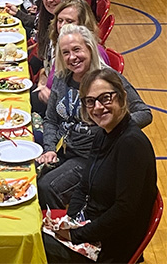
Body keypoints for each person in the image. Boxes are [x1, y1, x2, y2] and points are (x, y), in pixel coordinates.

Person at [43, 68, 157, 263]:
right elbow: (84, 185)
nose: (98, 107)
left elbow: (124, 212)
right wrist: (72, 220)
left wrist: (76, 235)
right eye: (90, 101)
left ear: (121, 97)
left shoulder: (131, 144)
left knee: (33, 243)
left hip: (110, 247)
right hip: (91, 227)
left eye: (105, 98)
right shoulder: (102, 134)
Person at [36, 24, 152, 210]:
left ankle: (65, 231)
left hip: (90, 157)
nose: (72, 57)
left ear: (89, 48)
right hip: (62, 149)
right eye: (65, 53)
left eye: (77, 50)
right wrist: (49, 148)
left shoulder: (107, 79)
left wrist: (109, 129)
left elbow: (144, 113)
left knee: (48, 187)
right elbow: (50, 120)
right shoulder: (61, 79)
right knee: (26, 176)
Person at [32, 0, 110, 118]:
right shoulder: (63, 46)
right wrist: (43, 83)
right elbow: (53, 76)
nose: (62, 26)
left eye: (69, 21)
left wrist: (53, 98)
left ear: (82, 24)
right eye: (60, 20)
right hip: (51, 99)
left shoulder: (95, 53)